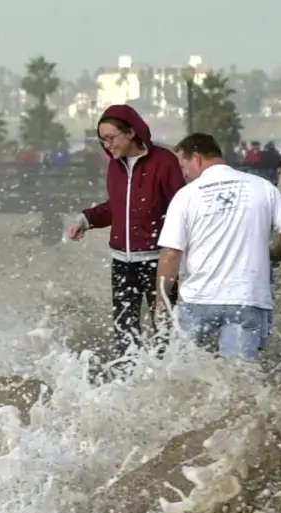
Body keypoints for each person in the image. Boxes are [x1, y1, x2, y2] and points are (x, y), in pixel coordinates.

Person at [155, 133, 281, 362]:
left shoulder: (185, 196)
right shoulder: (263, 187)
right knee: (238, 379)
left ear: (196, 157)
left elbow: (171, 254)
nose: (183, 173)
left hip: (199, 299)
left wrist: (160, 303)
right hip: (246, 298)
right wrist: (273, 256)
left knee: (184, 377)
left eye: (183, 165)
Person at [68, 104, 185, 358]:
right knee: (124, 332)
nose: (107, 146)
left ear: (131, 132)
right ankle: (126, 382)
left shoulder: (164, 162)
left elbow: (181, 208)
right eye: (103, 141)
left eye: (111, 138)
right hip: (122, 263)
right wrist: (85, 219)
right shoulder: (115, 166)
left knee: (166, 329)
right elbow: (117, 207)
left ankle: (169, 382)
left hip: (159, 261)